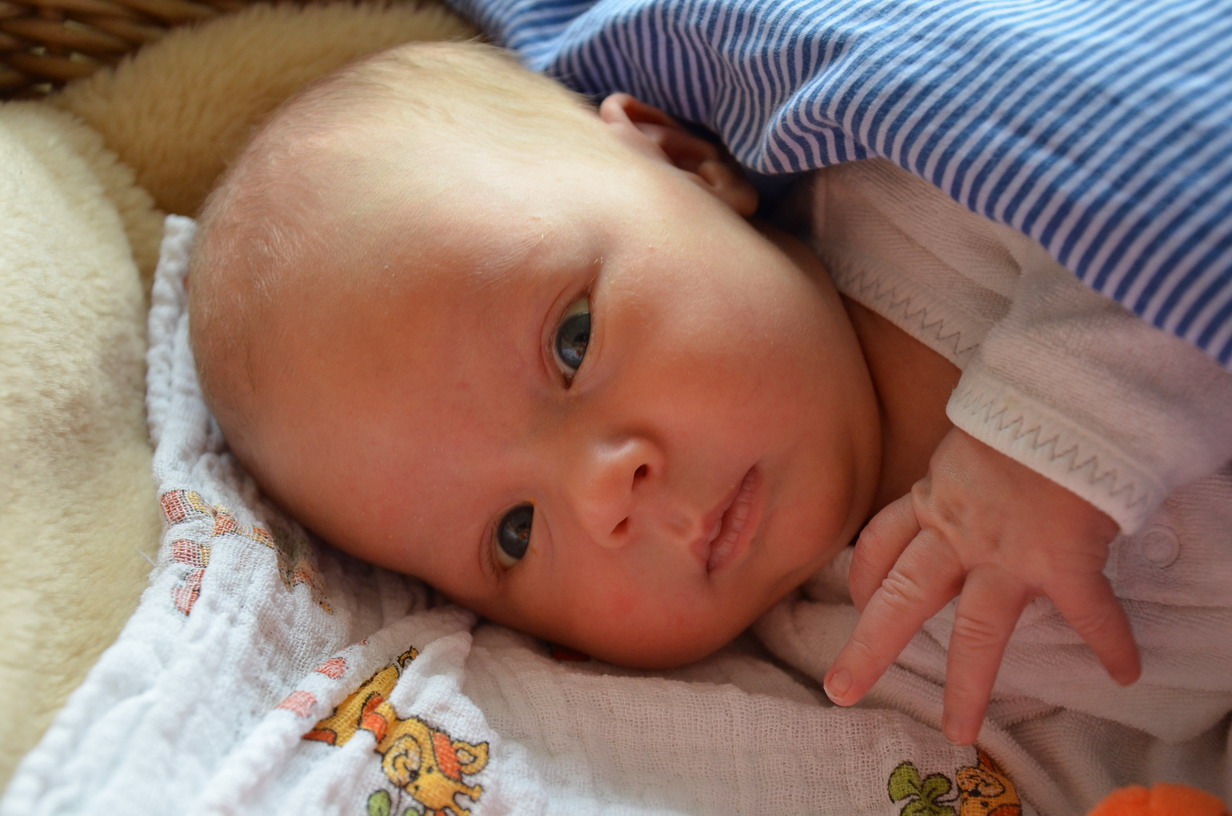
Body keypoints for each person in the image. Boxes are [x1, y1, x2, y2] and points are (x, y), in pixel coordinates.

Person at [187, 41, 1232, 747]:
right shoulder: (835, 661)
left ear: (684, 162)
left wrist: (1042, 447)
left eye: (572, 342)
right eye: (513, 534)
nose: (604, 497)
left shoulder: (933, 205)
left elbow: (1181, 159)